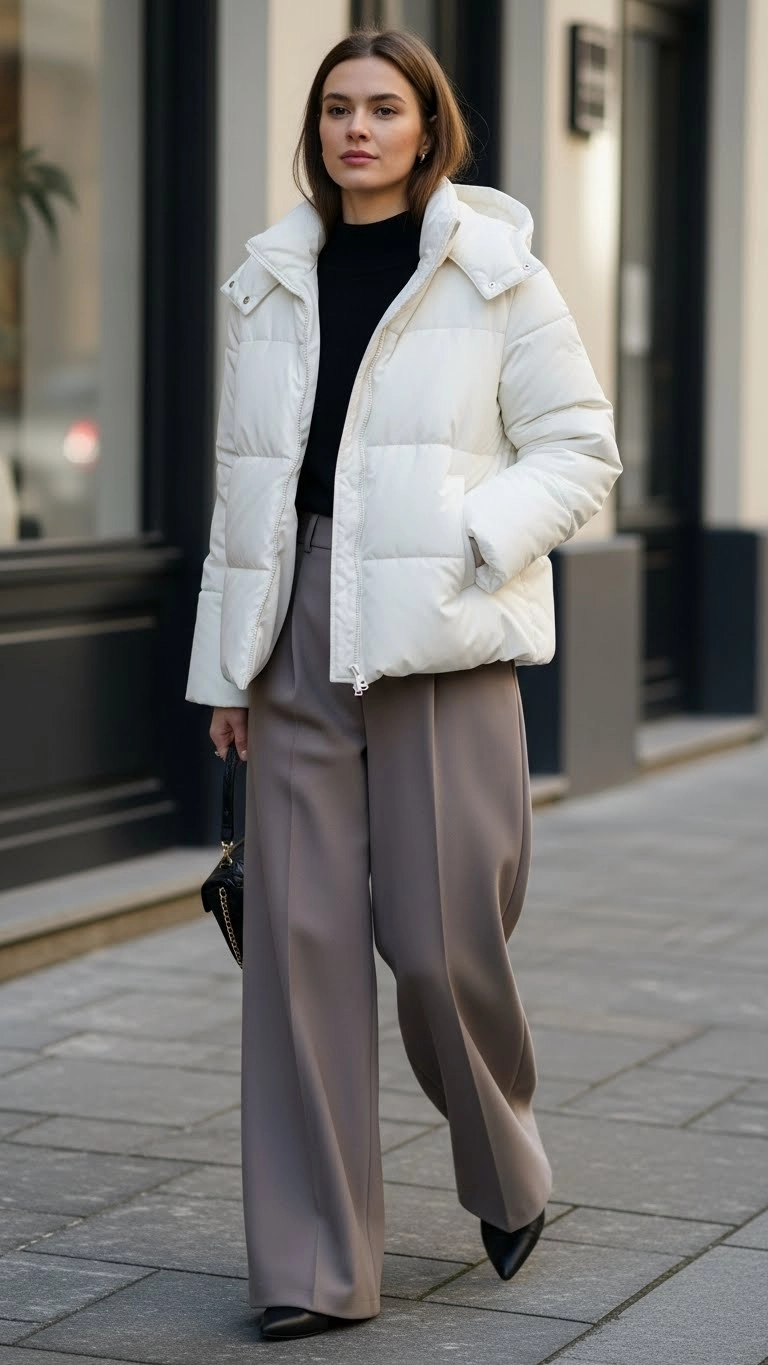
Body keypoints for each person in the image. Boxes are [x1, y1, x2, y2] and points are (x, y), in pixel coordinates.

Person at [187, 26, 621, 1344]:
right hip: (295, 632)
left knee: (439, 951)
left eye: (383, 108)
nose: (357, 129)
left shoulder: (499, 276)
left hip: (442, 642)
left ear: (427, 128)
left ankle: (506, 1168)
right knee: (300, 961)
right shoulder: (265, 283)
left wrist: (471, 542)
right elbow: (241, 494)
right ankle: (315, 1270)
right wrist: (228, 669)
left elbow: (582, 452)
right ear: (315, 131)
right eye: (336, 109)